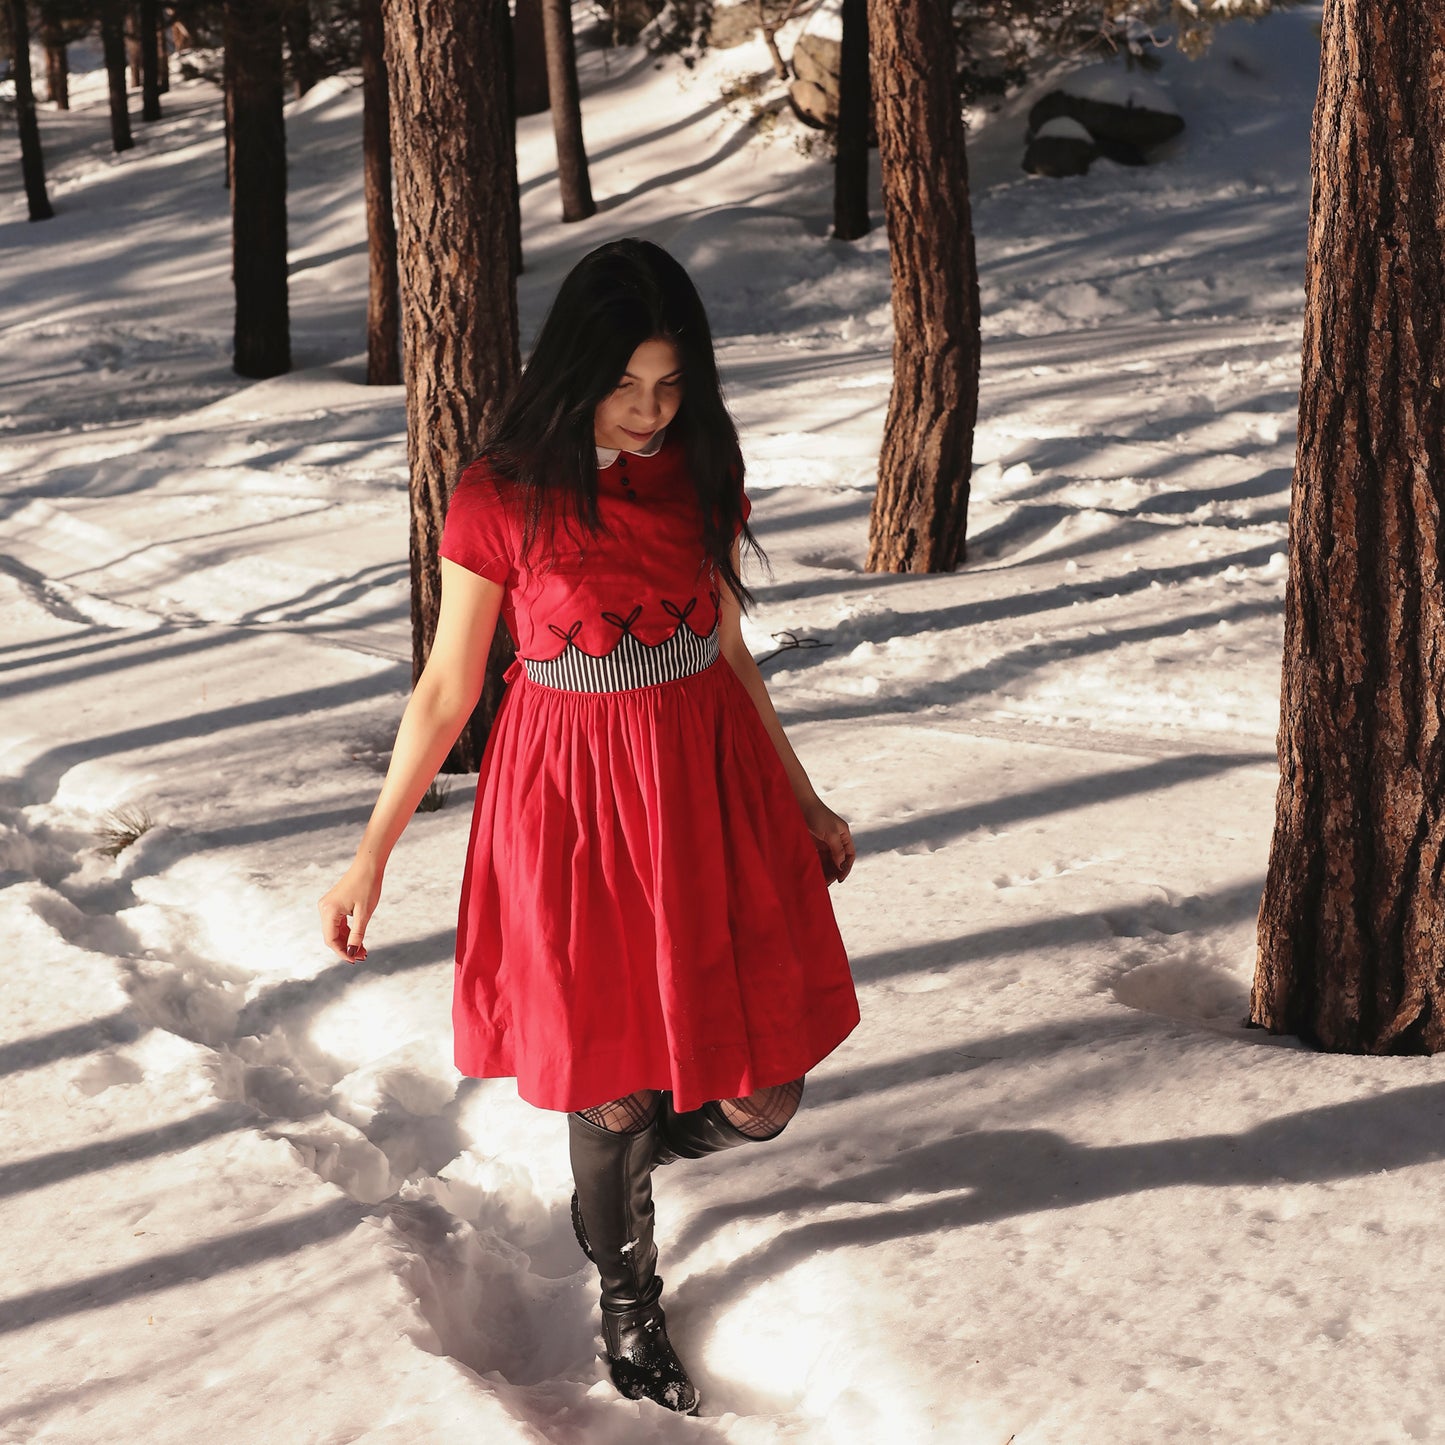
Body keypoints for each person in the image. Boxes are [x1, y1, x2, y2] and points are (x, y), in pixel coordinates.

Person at [318, 238, 860, 1415]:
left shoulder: (700, 467)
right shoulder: (501, 492)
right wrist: (370, 853)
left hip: (701, 790)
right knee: (610, 1081)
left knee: (762, 1094)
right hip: (569, 810)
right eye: (627, 387)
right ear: (576, 373)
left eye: (671, 386)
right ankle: (627, 1293)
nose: (651, 411)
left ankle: (610, 1175)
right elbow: (446, 689)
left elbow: (722, 642)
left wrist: (800, 791)